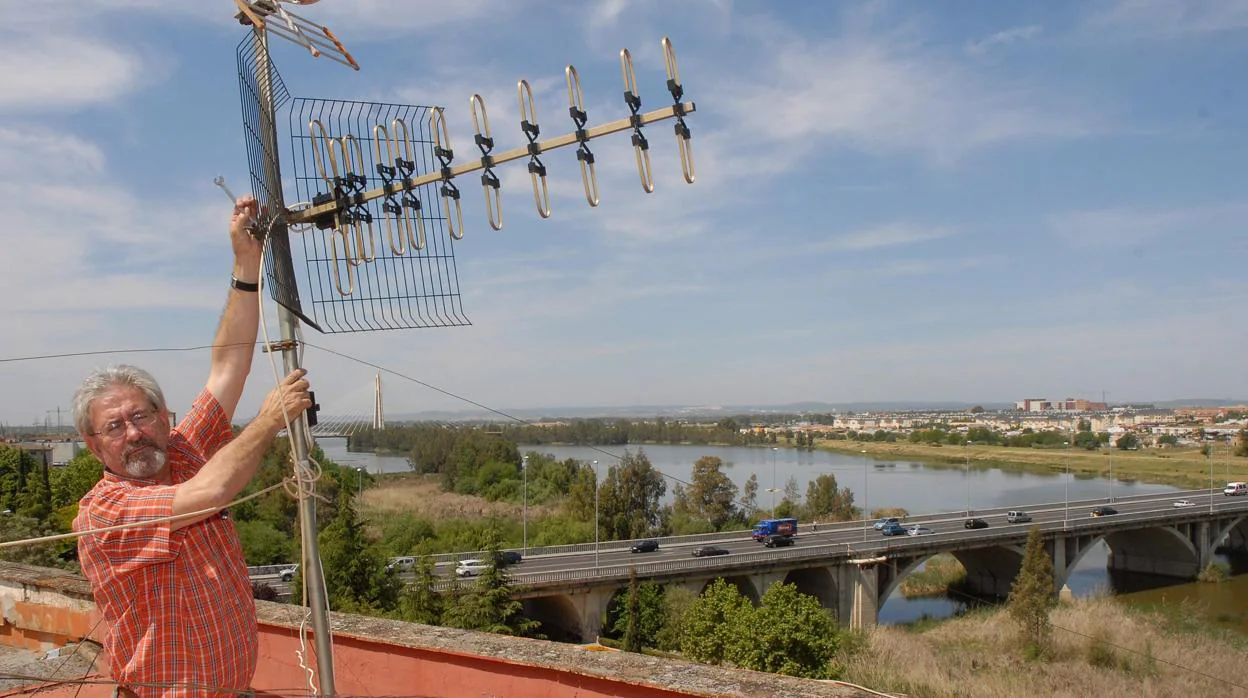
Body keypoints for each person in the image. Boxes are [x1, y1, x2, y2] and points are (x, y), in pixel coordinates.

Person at [71, 196, 314, 698]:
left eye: (141, 416)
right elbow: (212, 492)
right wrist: (269, 420)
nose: (133, 432)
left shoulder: (180, 450)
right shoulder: (105, 512)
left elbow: (228, 367)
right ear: (94, 448)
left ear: (164, 418)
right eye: (114, 427)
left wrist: (246, 266)